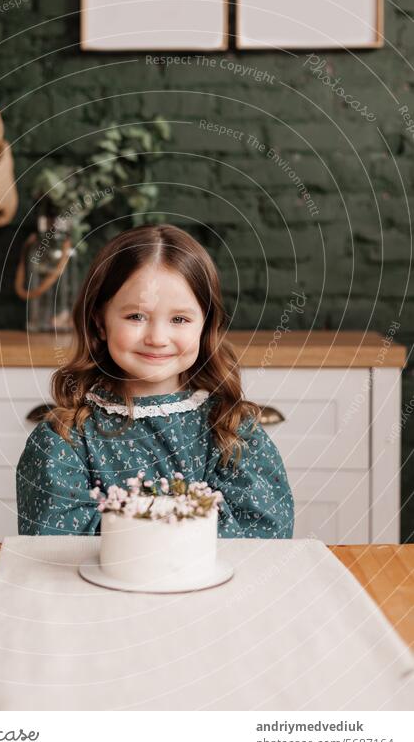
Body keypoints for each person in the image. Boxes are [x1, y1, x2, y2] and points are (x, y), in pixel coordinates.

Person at [16, 223, 294, 538]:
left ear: (205, 326)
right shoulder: (63, 439)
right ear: (100, 321)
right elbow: (55, 548)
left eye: (179, 319)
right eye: (136, 316)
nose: (158, 338)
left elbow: (263, 538)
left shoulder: (234, 431)